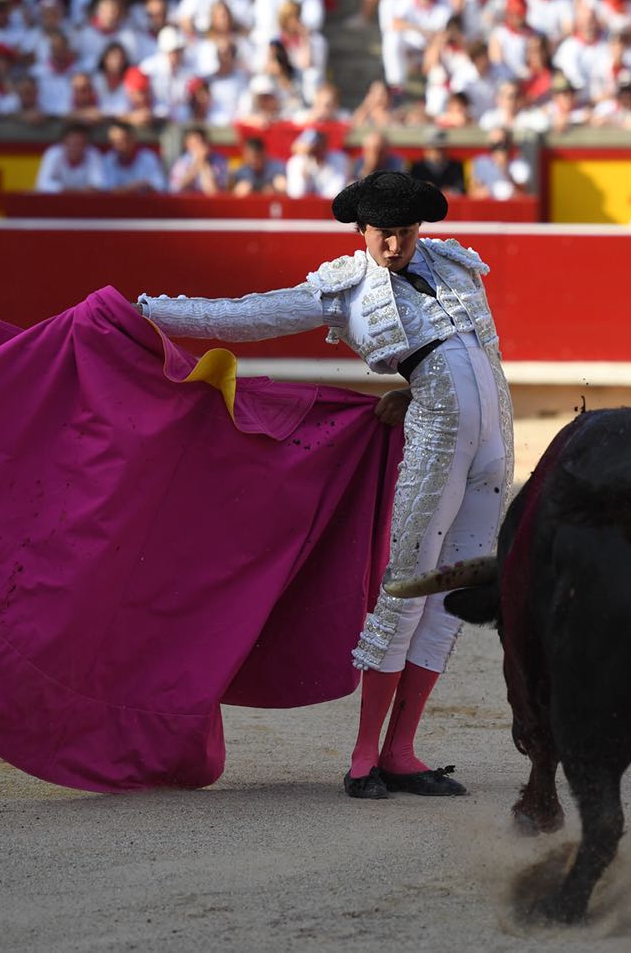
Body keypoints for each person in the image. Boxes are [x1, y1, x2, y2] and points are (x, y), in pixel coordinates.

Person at [134, 172, 512, 800]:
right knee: (407, 589)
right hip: (438, 444)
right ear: (361, 231)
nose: (394, 245)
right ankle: (365, 757)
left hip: (495, 449)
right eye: (383, 234)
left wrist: (410, 388)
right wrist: (146, 311)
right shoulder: (346, 288)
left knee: (451, 596)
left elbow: (469, 355)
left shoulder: (455, 264)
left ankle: (403, 751)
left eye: (405, 232)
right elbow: (249, 317)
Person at [34, 120, 104, 192]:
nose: (74, 148)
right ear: (63, 142)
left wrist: (68, 190)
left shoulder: (93, 154)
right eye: (70, 144)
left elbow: (98, 184)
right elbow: (42, 184)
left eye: (79, 144)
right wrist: (73, 190)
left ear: (86, 144)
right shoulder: (53, 154)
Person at [99, 119, 167, 192]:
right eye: (114, 141)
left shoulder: (148, 157)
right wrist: (133, 187)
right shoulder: (108, 160)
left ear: (132, 139)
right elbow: (107, 190)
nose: (118, 145)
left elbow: (160, 186)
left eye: (122, 140)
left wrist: (126, 189)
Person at [408, 127, 464, 195]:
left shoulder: (456, 166)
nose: (440, 153)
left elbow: (461, 189)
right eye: (436, 149)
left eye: (443, 149)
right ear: (426, 150)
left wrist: (450, 192)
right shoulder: (417, 167)